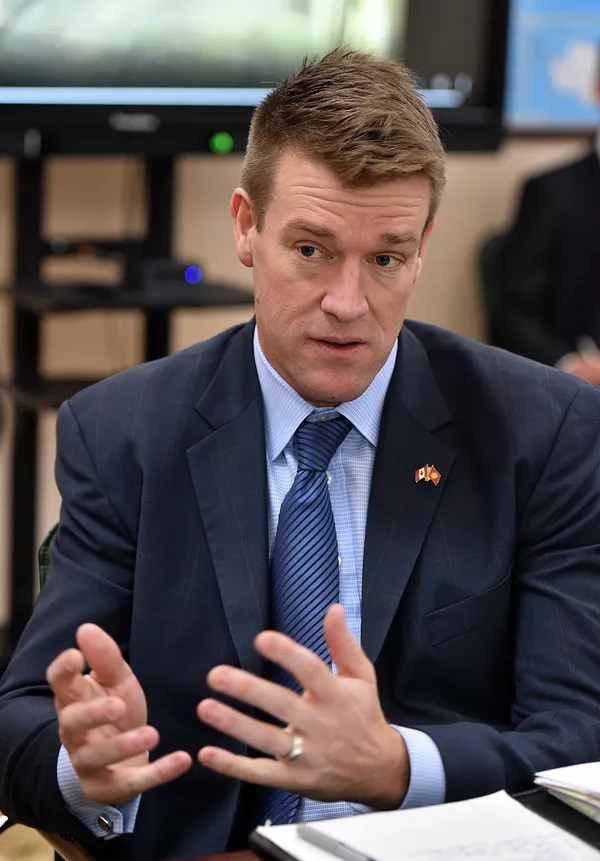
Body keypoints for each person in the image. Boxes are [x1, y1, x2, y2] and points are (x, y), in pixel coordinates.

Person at [2, 48, 600, 861]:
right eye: (312, 250)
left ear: (422, 246)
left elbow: (578, 737)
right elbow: (22, 718)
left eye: (385, 258)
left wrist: (398, 766)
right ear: (246, 227)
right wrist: (85, 765)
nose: (347, 304)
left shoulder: (545, 431)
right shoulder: (123, 432)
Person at [493, 46, 600, 381]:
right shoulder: (552, 191)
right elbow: (513, 316)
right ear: (597, 88)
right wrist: (572, 365)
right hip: (581, 384)